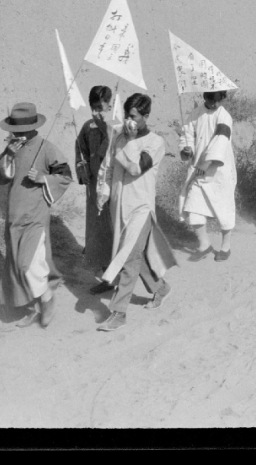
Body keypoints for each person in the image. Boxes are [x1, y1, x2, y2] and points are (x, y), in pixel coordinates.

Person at [95, 93, 177, 332]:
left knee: (129, 257)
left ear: (146, 116)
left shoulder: (155, 142)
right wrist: (104, 192)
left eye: (134, 116)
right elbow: (108, 168)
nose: (129, 121)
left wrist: (124, 144)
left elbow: (134, 168)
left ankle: (118, 312)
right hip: (119, 207)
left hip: (141, 209)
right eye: (127, 116)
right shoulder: (118, 138)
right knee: (131, 254)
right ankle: (160, 288)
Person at [0, 102, 73, 329]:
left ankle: (47, 299)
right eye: (13, 132)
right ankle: (31, 308)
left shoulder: (46, 148)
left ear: (32, 128)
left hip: (35, 215)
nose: (16, 136)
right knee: (16, 264)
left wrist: (43, 179)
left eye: (20, 132)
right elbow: (1, 176)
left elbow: (65, 175)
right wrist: (8, 155)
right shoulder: (12, 148)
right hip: (14, 214)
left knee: (29, 264)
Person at [178, 90, 237, 261]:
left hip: (219, 171)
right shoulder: (195, 114)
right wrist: (186, 149)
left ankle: (225, 246)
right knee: (193, 205)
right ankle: (204, 244)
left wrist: (207, 163)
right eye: (212, 99)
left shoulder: (224, 116)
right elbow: (186, 135)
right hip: (198, 170)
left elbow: (221, 139)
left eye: (219, 100)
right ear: (205, 97)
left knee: (224, 209)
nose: (215, 104)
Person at [75, 86, 114, 273]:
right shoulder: (87, 127)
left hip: (112, 186)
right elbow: (80, 149)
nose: (95, 112)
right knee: (95, 221)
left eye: (100, 107)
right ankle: (98, 256)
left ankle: (112, 269)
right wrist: (81, 167)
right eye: (93, 108)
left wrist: (107, 131)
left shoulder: (117, 128)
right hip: (93, 185)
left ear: (110, 106)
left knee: (111, 224)